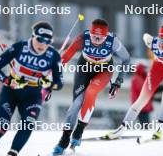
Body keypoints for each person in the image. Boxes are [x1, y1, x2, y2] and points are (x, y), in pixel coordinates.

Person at [0, 21, 63, 156]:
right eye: (40, 39)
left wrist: (50, 85)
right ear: (33, 36)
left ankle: (12, 153)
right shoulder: (19, 47)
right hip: (11, 92)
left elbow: (60, 83)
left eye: (48, 41)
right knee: (2, 126)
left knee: (28, 125)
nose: (43, 44)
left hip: (33, 96)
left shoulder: (54, 55)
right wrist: (7, 80)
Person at [52, 18, 130, 155]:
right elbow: (66, 56)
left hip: (104, 70)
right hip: (84, 67)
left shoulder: (113, 42)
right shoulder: (84, 37)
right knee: (76, 103)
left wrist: (118, 81)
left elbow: (126, 58)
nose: (97, 40)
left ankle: (79, 131)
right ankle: (64, 139)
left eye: (100, 38)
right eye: (94, 36)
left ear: (106, 36)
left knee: (91, 92)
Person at [130, 64, 153, 128]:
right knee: (145, 124)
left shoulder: (139, 78)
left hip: (142, 106)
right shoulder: (137, 79)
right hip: (142, 106)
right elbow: (144, 90)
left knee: (144, 123)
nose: (146, 71)